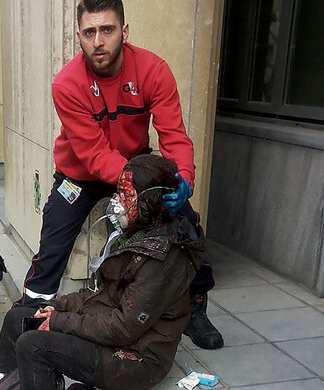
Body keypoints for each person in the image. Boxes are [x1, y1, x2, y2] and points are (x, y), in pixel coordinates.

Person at [15, 0, 219, 349]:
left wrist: (181, 179)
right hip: (79, 173)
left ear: (124, 31)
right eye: (90, 32)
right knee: (52, 245)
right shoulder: (67, 83)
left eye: (107, 30)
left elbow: (173, 135)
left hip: (134, 165)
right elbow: (93, 153)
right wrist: (132, 186)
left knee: (183, 224)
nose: (98, 41)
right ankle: (31, 313)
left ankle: (195, 306)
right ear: (78, 35)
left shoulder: (153, 71)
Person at [0, 155, 202, 390]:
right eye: (117, 192)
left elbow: (123, 329)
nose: (116, 202)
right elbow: (98, 294)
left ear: (152, 202)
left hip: (136, 359)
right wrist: (57, 307)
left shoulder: (161, 260)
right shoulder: (134, 235)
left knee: (34, 344)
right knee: (20, 316)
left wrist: (59, 321)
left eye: (126, 196)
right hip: (115, 334)